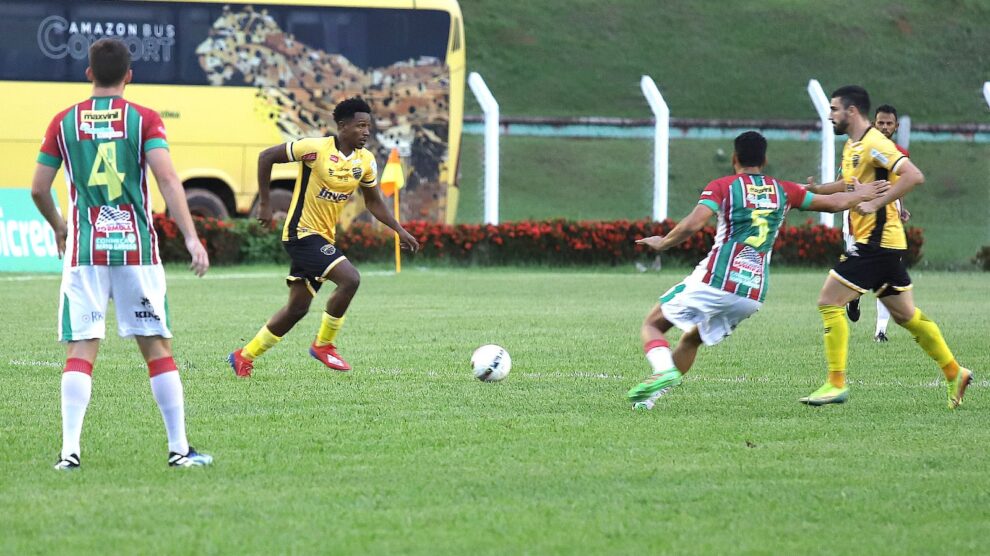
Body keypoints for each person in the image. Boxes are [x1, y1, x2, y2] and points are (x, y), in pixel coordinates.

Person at [31, 39, 213, 469]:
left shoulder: (63, 122)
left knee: (81, 348)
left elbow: (38, 188)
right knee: (157, 348)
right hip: (136, 251)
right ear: (129, 75)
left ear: (88, 73)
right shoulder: (144, 119)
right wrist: (191, 238)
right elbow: (168, 179)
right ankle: (179, 450)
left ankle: (70, 453)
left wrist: (61, 227)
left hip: (85, 251)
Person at [626, 131, 889, 409]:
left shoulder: (723, 186)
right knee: (691, 339)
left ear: (734, 158)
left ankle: (662, 370)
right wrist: (862, 193)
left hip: (717, 278)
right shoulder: (783, 189)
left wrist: (664, 242)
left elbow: (694, 223)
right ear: (764, 159)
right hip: (751, 293)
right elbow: (834, 204)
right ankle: (649, 400)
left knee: (653, 324)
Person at [799, 85, 973, 408]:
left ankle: (835, 383)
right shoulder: (854, 145)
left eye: (835, 109)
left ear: (852, 111)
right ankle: (954, 372)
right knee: (907, 316)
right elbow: (848, 187)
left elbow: (913, 175)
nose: (830, 115)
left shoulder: (876, 144)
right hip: (885, 244)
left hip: (876, 242)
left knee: (828, 300)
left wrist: (877, 201)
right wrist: (816, 190)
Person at [229, 97, 419, 377]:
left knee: (297, 308)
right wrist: (266, 204)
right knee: (351, 279)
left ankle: (243, 356)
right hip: (300, 234)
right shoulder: (314, 149)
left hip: (323, 239)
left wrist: (399, 229)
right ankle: (324, 344)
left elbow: (374, 202)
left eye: (369, 126)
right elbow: (266, 156)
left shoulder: (365, 161)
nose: (367, 132)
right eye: (360, 126)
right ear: (342, 126)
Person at [845, 104, 911, 342]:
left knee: (887, 278)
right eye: (880, 123)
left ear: (896, 126)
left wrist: (901, 209)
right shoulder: (862, 147)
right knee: (856, 269)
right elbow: (845, 181)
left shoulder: (898, 152)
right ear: (873, 122)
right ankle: (853, 297)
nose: (884, 127)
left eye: (888, 123)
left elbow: (899, 182)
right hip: (859, 219)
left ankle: (880, 331)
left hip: (888, 223)